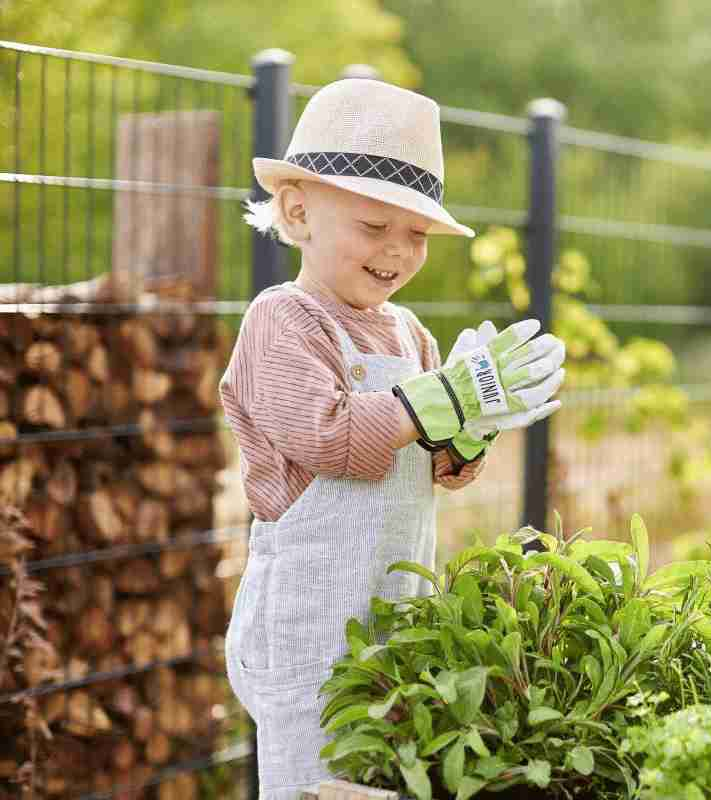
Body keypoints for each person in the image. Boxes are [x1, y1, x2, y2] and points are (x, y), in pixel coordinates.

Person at [219, 78, 565, 799]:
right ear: (298, 209)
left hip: (396, 603)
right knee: (311, 783)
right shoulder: (283, 320)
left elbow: (438, 466)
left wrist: (473, 427)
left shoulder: (410, 333)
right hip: (306, 620)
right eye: (375, 229)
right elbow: (332, 440)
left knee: (380, 776)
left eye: (416, 236)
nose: (398, 253)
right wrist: (444, 396)